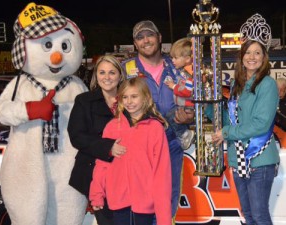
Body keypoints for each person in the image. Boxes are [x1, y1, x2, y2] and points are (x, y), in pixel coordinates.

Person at [121, 20, 195, 220]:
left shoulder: (177, 65)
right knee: (138, 201)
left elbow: (198, 97)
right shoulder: (125, 69)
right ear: (135, 43)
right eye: (140, 37)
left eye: (149, 35)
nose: (146, 40)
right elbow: (111, 104)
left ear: (159, 38)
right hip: (136, 146)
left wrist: (192, 114)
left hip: (171, 143)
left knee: (167, 200)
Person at [211, 14, 280, 225]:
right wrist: (209, 106)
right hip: (239, 159)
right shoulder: (236, 85)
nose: (252, 57)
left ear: (264, 57)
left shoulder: (267, 84)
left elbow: (261, 123)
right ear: (241, 56)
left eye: (257, 52)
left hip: (259, 160)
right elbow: (231, 120)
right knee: (248, 215)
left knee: (259, 215)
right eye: (248, 52)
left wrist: (226, 133)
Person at [89, 77, 172, 225]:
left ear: (145, 97)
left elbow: (161, 173)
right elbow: (102, 164)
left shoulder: (155, 128)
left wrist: (164, 219)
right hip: (118, 200)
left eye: (134, 96)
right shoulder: (112, 127)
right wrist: (96, 194)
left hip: (145, 202)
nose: (129, 101)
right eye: (125, 97)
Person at [67, 55, 126, 225]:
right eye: (102, 72)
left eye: (112, 72)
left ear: (120, 75)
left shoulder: (129, 100)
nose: (107, 77)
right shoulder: (84, 101)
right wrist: (108, 147)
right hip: (94, 174)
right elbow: (76, 136)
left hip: (125, 173)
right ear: (96, 76)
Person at [164, 37, 195, 150]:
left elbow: (187, 91)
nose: (172, 60)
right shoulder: (184, 71)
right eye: (172, 57)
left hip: (187, 106)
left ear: (187, 59)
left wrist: (173, 86)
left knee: (170, 115)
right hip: (185, 105)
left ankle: (184, 134)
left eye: (176, 58)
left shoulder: (189, 74)